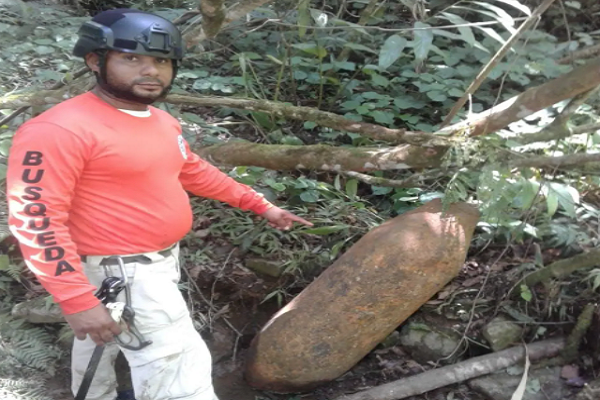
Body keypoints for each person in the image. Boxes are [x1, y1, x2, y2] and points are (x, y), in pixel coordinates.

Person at [6, 8, 312, 400]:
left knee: (100, 350)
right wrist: (76, 299)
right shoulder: (59, 129)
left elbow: (191, 170)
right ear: (95, 61)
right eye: (131, 58)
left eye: (162, 61)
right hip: (124, 273)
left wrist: (259, 204)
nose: (151, 70)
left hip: (150, 266)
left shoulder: (159, 120)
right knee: (181, 374)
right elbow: (36, 218)